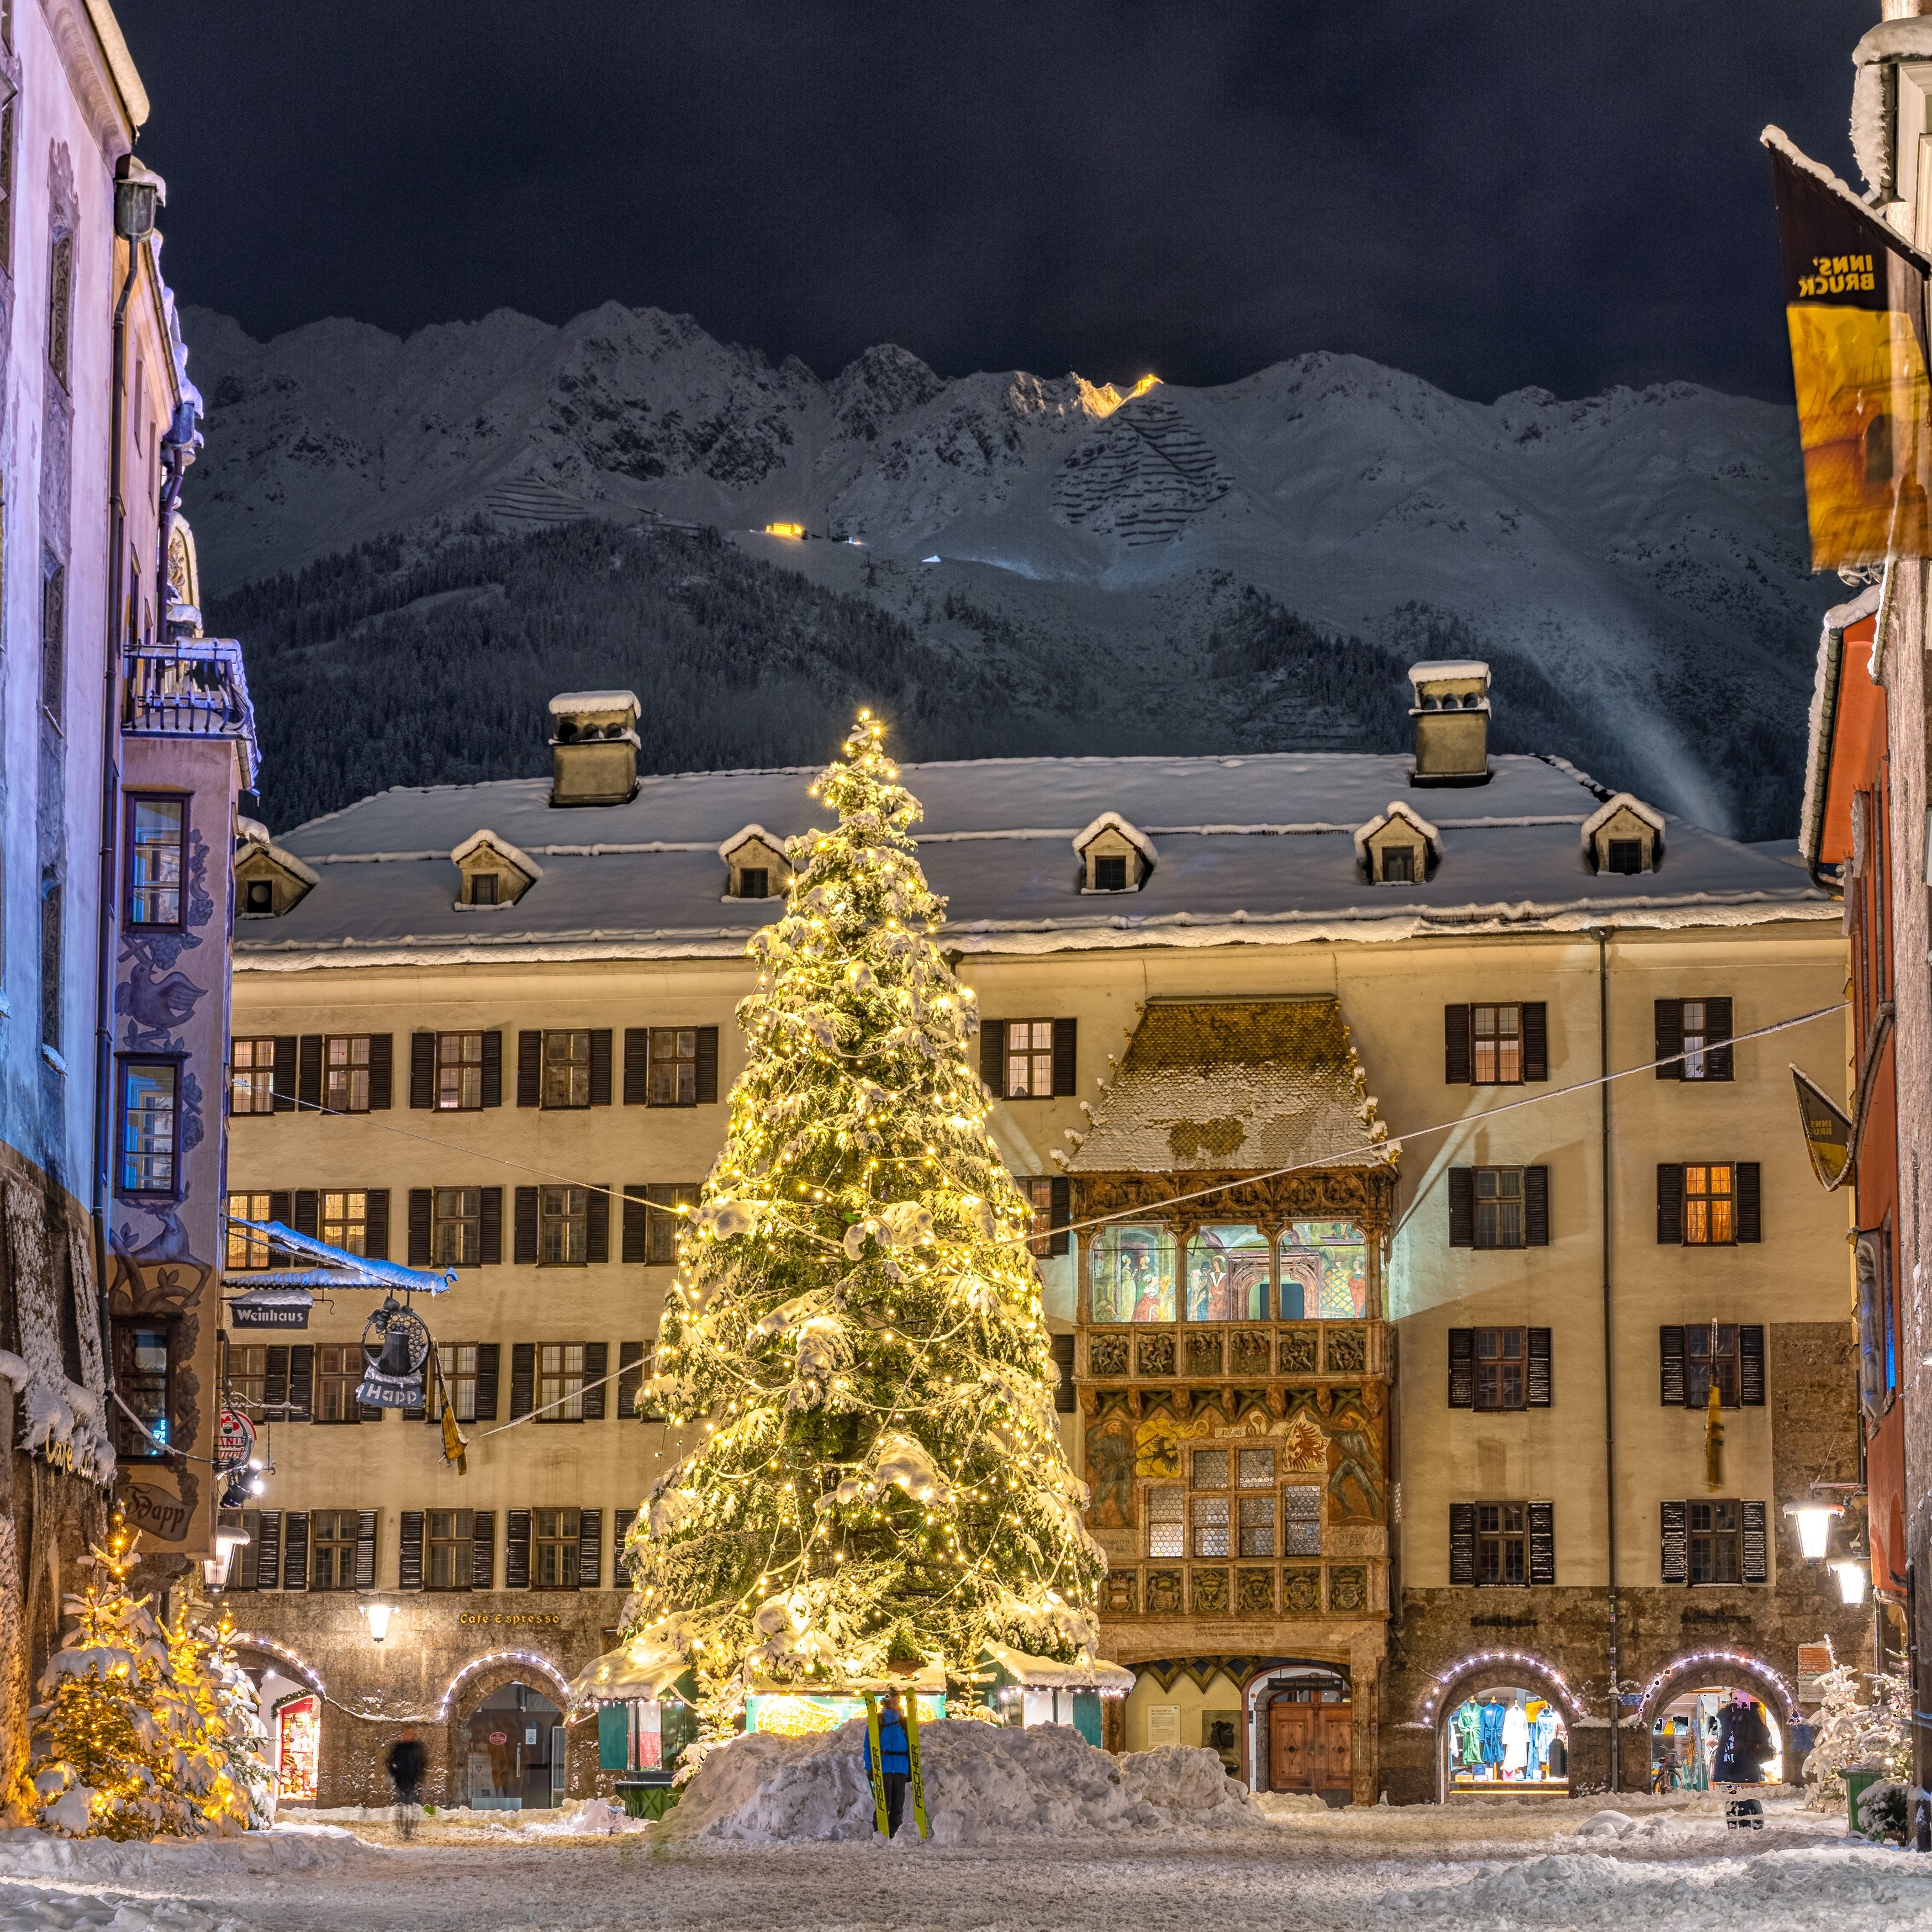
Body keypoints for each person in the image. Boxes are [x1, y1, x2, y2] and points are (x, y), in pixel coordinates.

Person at [861, 1690, 911, 1837]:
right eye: (893, 1699)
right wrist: (870, 1767)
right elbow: (868, 1745)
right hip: (883, 1767)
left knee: (898, 1805)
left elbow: (911, 1745)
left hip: (901, 1768)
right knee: (885, 1803)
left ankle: (894, 1834)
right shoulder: (878, 1721)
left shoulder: (904, 1722)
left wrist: (910, 1768)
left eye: (898, 1699)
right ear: (887, 1701)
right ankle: (880, 1832)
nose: (896, 1701)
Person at [387, 1725, 426, 1840]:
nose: (409, 1736)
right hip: (402, 1781)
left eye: (411, 1734)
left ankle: (411, 1830)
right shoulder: (398, 1748)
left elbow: (422, 1762)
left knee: (414, 1807)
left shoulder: (417, 1748)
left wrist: (419, 1775)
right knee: (402, 1807)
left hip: (414, 1781)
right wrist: (395, 1774)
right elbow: (390, 1762)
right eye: (407, 1734)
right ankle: (402, 1830)